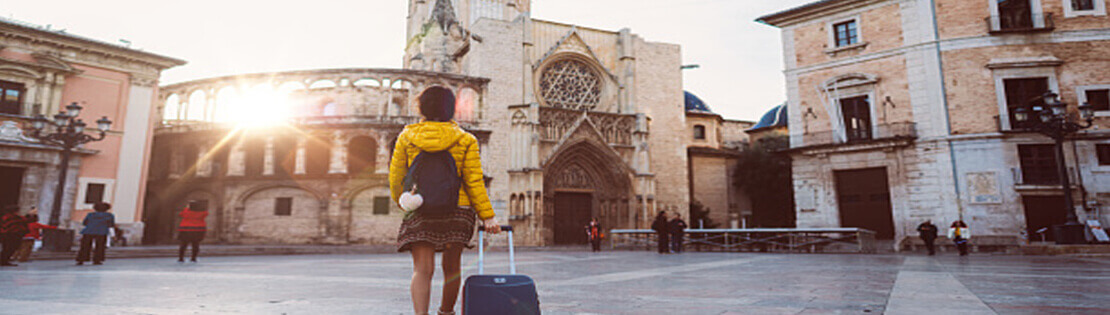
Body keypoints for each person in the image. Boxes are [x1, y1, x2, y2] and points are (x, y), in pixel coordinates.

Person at [390, 86, 500, 315]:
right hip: (457, 210)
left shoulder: (407, 137)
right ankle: (446, 313)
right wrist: (487, 215)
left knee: (422, 270)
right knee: (452, 268)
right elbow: (474, 181)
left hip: (421, 206)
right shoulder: (466, 139)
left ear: (421, 108)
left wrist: (403, 201)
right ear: (451, 109)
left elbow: (396, 177)